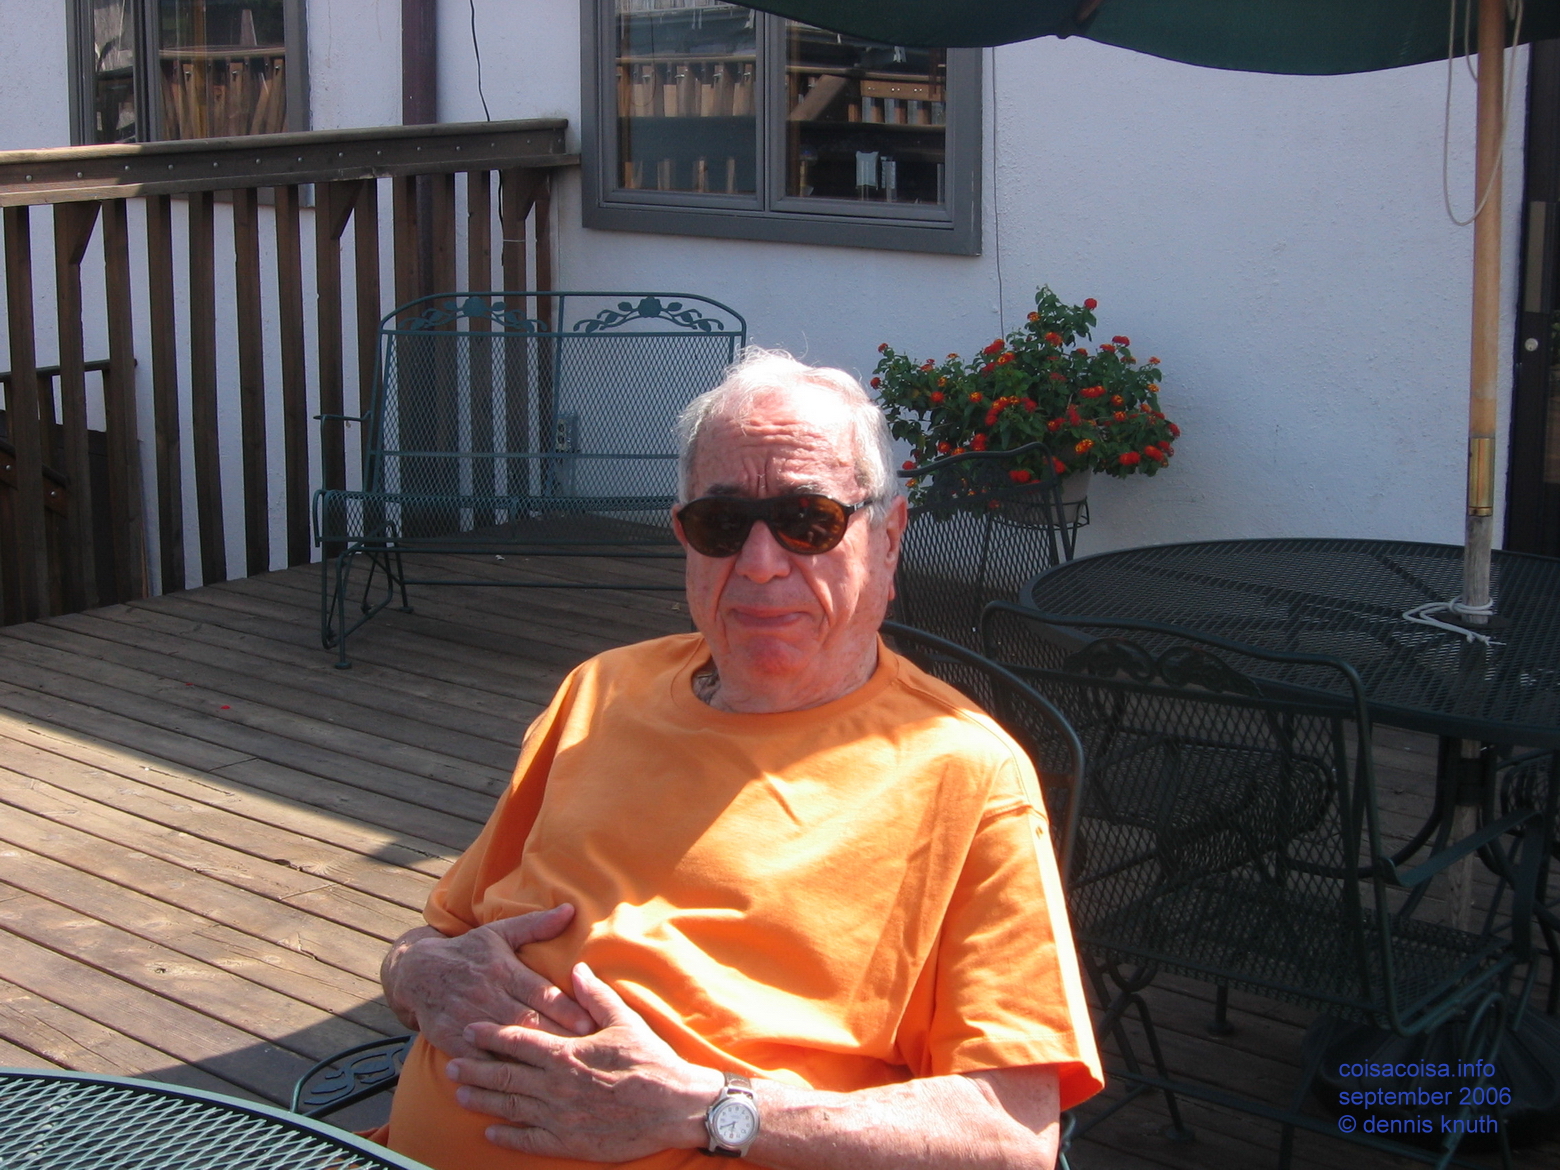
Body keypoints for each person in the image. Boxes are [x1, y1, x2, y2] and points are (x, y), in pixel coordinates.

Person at [369, 349, 1101, 1169]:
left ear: (888, 541)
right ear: (686, 537)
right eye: (722, 525)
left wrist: (707, 1110)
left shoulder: (967, 773)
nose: (759, 564)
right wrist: (417, 977)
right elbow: (438, 934)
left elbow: (1010, 1136)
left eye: (808, 520)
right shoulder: (601, 690)